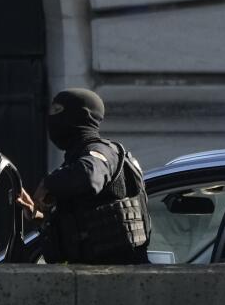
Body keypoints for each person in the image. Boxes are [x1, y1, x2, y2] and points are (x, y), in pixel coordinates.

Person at [17, 88, 151, 264]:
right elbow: (82, 226)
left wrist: (48, 183)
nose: (51, 119)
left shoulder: (101, 151)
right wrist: (42, 218)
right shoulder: (76, 159)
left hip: (116, 275)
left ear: (82, 115)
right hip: (94, 274)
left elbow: (89, 175)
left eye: (58, 111)